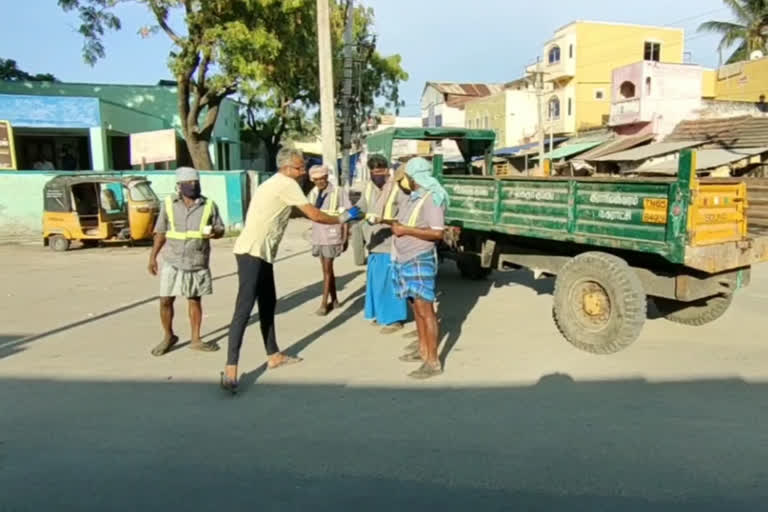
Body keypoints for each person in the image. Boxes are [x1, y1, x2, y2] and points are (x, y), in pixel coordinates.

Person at [222, 148, 362, 393]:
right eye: (299, 168)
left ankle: (273, 354)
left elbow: (298, 210)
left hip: (261, 252)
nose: (303, 172)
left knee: (268, 303)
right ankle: (231, 368)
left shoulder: (276, 183)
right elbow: (314, 215)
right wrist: (343, 218)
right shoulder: (287, 184)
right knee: (244, 308)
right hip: (252, 252)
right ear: (286, 168)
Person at [148, 167, 225, 356]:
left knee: (194, 299)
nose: (193, 186)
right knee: (165, 300)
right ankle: (168, 336)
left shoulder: (208, 205)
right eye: (189, 183)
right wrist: (152, 257)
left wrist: (216, 233)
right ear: (179, 186)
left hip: (196, 260)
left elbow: (220, 228)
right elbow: (160, 232)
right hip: (172, 260)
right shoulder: (168, 204)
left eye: (196, 182)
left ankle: (196, 339)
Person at [390, 157, 448, 379]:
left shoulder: (432, 198)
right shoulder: (414, 197)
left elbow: (437, 233)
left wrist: (405, 230)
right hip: (405, 257)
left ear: (414, 177)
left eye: (407, 177)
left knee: (426, 310)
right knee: (417, 308)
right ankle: (423, 350)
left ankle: (432, 362)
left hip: (419, 257)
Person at [359, 154, 407, 334]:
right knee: (377, 282)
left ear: (387, 170)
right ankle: (381, 314)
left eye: (380, 171)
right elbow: (362, 206)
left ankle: (395, 319)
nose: (377, 175)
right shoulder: (369, 187)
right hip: (374, 242)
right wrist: (346, 216)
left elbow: (404, 214)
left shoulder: (396, 188)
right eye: (373, 172)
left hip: (391, 242)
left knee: (391, 281)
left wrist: (383, 220)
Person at [307, 165, 351, 316]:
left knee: (327, 269)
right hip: (318, 236)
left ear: (326, 177)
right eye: (316, 179)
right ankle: (335, 299)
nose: (319, 182)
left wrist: (346, 237)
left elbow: (347, 215)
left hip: (332, 235)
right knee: (327, 270)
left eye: (322, 178)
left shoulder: (338, 192)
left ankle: (324, 303)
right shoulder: (313, 193)